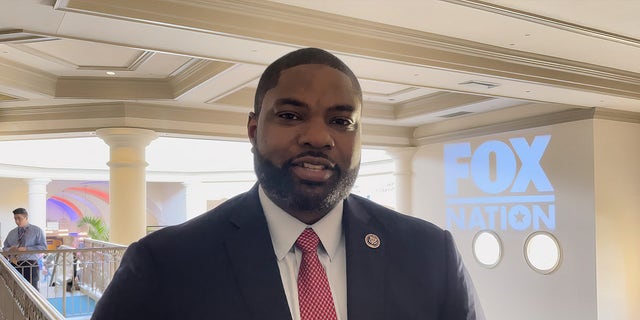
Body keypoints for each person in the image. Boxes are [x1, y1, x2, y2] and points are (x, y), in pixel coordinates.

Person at [91, 48, 484, 320]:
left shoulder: (430, 255)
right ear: (253, 129)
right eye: (292, 116)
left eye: (341, 121)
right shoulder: (165, 265)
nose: (318, 137)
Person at [2, 208, 47, 289]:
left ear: (26, 217)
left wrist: (26, 249)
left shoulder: (37, 231)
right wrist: (10, 250)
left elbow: (43, 247)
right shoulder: (12, 233)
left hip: (30, 264)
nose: (17, 221)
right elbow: (4, 247)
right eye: (15, 219)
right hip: (14, 264)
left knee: (32, 289)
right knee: (15, 288)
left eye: (19, 218)